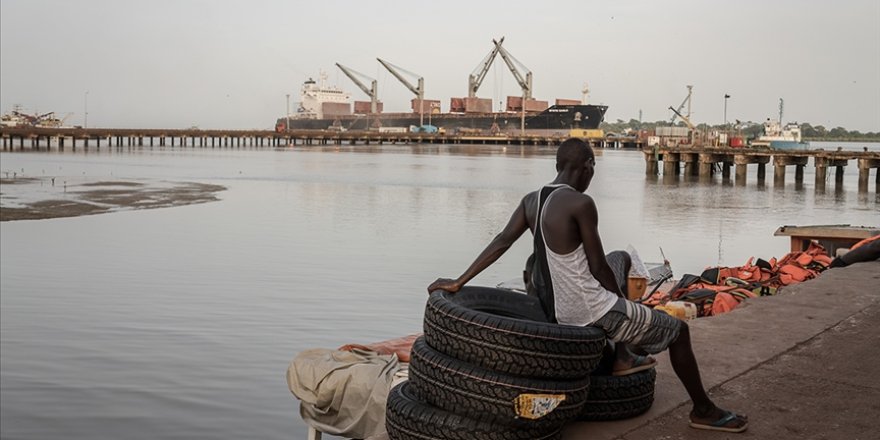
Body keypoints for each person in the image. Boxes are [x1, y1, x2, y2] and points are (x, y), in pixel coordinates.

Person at [427, 138, 748, 433]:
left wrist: (459, 281)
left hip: (559, 309)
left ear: (557, 165)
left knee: (619, 257)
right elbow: (597, 270)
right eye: (592, 168)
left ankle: (623, 356)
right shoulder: (581, 203)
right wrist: (629, 306)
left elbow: (501, 242)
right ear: (588, 166)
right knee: (679, 333)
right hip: (592, 310)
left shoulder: (531, 201)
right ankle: (703, 410)